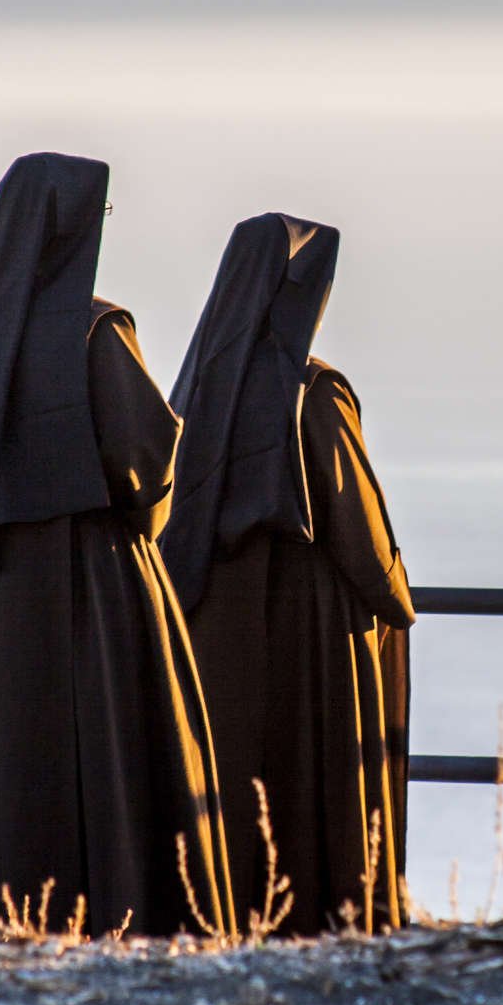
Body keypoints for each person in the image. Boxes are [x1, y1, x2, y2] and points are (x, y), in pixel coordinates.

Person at [0, 152, 234, 938]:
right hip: (91, 588)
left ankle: (2, 917)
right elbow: (149, 467)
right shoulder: (97, 330)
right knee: (108, 753)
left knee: (9, 759)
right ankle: (115, 915)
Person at [162, 213, 414, 935]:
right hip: (308, 631)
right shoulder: (315, 391)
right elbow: (358, 527)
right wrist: (397, 598)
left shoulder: (199, 386)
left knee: (234, 782)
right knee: (308, 777)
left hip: (217, 624)